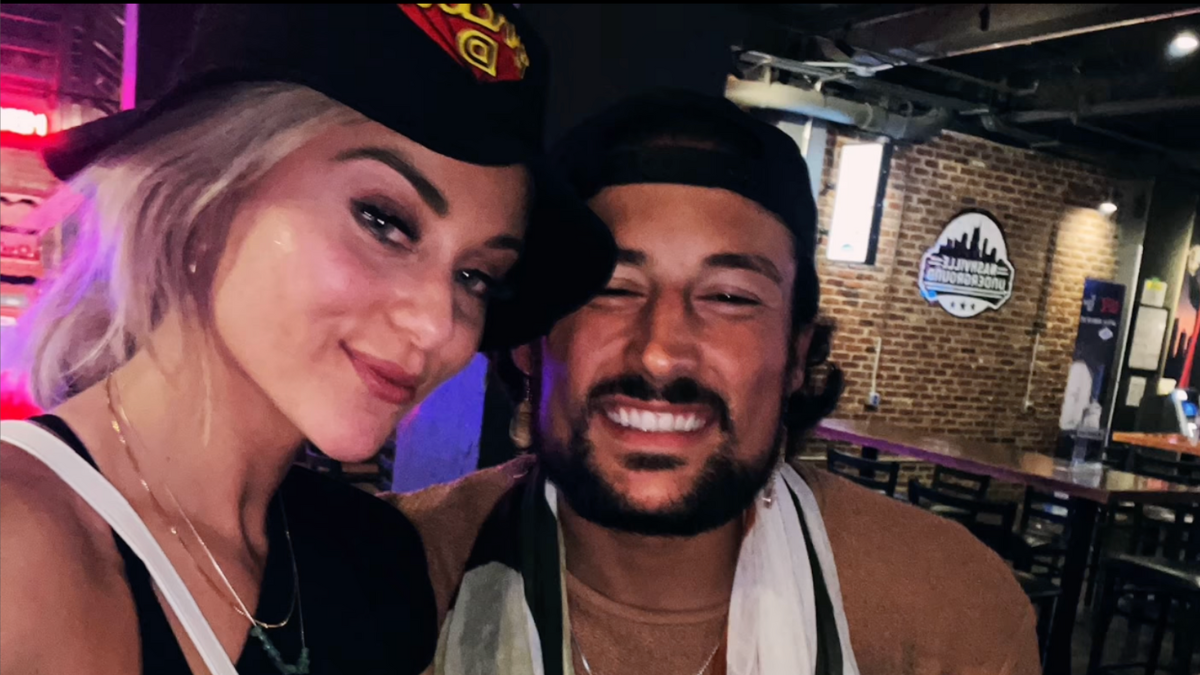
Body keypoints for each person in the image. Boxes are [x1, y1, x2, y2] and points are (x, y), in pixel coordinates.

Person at [0, 5, 614, 675]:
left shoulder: (377, 565)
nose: (438, 324)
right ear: (203, 194)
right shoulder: (19, 541)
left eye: (475, 276)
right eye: (383, 221)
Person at [389, 90, 1041, 675]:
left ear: (797, 354)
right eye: (611, 289)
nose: (660, 354)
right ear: (532, 341)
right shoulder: (392, 577)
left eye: (730, 296)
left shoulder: (943, 608)